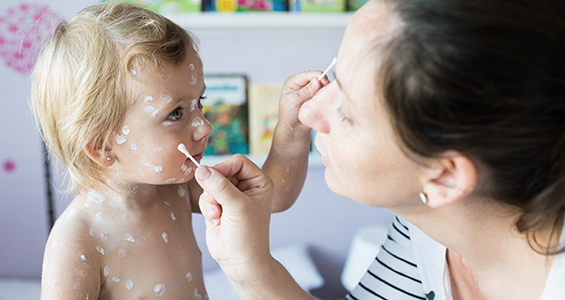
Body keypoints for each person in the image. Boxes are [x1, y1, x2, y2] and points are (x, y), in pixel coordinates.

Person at [193, 0, 565, 299]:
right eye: (334, 79)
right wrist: (249, 267)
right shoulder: (426, 226)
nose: (307, 111)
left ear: (445, 177)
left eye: (348, 112)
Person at [30, 3, 319, 299]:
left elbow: (273, 197)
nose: (205, 127)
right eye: (176, 114)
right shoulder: (77, 242)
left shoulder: (175, 189)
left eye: (199, 102)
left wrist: (293, 126)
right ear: (102, 147)